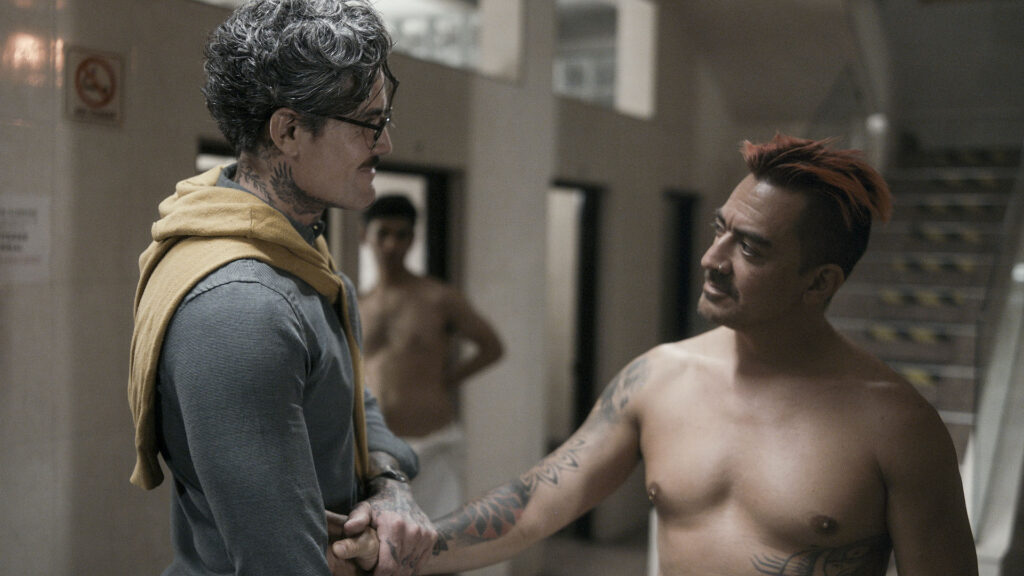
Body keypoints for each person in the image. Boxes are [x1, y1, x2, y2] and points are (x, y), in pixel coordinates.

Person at [360, 134, 978, 575]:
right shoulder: (658, 378)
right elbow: (535, 506)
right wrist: (401, 547)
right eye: (719, 230)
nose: (713, 259)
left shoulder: (897, 425)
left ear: (819, 283)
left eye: (751, 248)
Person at [127, 1, 436, 574]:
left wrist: (390, 483)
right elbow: (280, 561)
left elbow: (355, 398)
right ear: (289, 131)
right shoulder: (241, 307)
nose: (385, 145)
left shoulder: (300, 256)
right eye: (370, 124)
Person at [358, 194, 504, 524]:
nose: (392, 244)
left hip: (431, 442)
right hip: (375, 447)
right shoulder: (356, 302)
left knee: (438, 539)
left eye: (402, 235)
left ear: (413, 238)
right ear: (365, 235)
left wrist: (445, 379)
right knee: (379, 543)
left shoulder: (438, 298)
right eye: (383, 233)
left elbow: (492, 346)